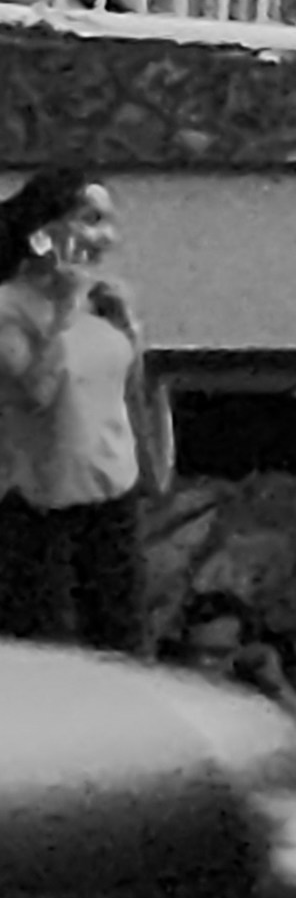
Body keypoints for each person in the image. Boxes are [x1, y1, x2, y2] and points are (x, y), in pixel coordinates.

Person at [0, 170, 157, 647]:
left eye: (108, 222)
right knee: (49, 640)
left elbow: (125, 389)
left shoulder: (102, 302)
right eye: (90, 221)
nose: (105, 237)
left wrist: (129, 333)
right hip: (39, 502)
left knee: (123, 636)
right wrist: (64, 308)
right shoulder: (9, 307)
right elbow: (34, 392)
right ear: (46, 233)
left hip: (111, 492)